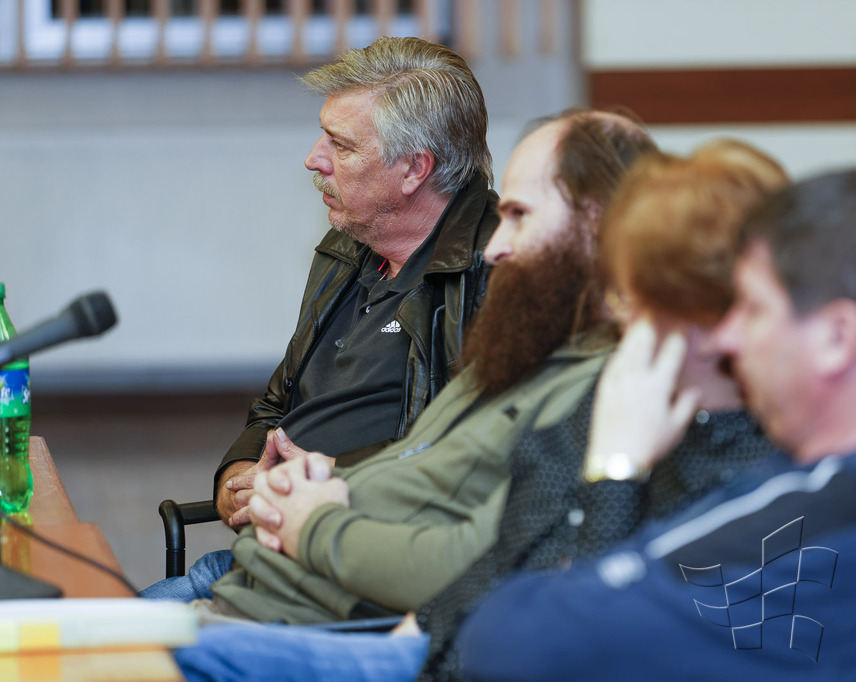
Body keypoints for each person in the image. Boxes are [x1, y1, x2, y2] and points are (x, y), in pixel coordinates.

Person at [173, 142, 788, 681]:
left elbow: (584, 625)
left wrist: (617, 468)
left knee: (161, 656)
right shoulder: (586, 383)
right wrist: (333, 493)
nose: (624, 321)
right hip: (394, 629)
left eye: (640, 295)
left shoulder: (731, 456)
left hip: (390, 635)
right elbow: (502, 565)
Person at [457, 167, 856, 680]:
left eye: (753, 308)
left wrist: (615, 471)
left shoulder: (819, 528)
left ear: (837, 338)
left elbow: (507, 642)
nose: (728, 337)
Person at [159, 110, 657, 624]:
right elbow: (416, 467)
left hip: (314, 609)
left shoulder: (603, 387)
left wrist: (313, 519)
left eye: (520, 216)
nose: (496, 247)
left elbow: (475, 561)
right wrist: (312, 481)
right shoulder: (521, 343)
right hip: (270, 573)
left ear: (596, 225)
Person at [143, 36, 497, 598]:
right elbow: (276, 405)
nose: (314, 158)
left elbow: (472, 460)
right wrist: (239, 478)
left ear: (414, 168)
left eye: (342, 145)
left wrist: (329, 480)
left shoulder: (494, 276)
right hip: (265, 558)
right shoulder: (349, 247)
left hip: (355, 581)